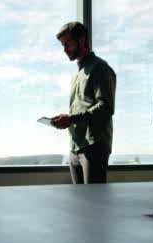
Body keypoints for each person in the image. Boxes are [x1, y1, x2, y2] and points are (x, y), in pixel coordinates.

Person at [52, 22, 116, 184]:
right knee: (80, 205)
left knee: (94, 205)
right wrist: (66, 119)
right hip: (76, 146)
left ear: (81, 40)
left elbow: (106, 108)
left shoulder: (99, 68)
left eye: (68, 44)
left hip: (94, 145)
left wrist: (71, 119)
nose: (64, 49)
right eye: (63, 45)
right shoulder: (77, 73)